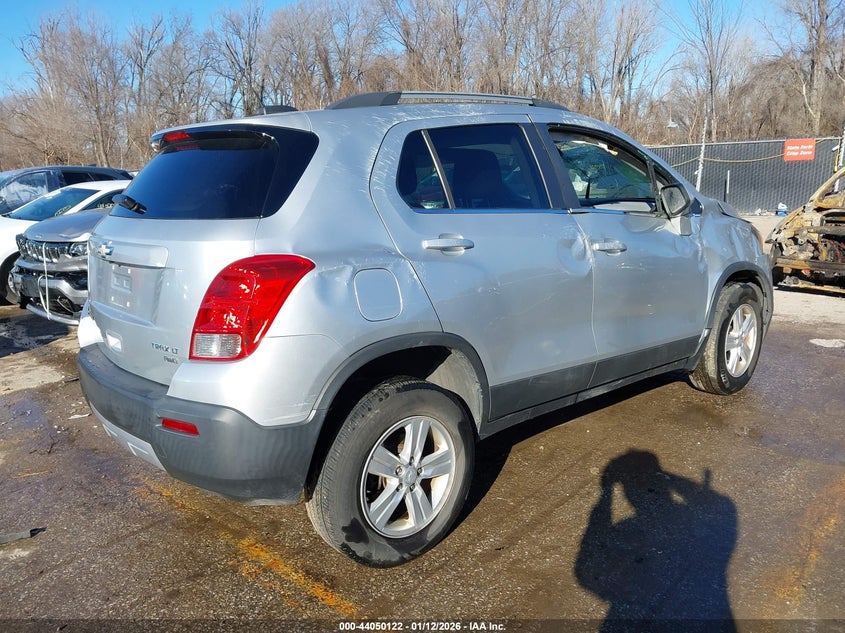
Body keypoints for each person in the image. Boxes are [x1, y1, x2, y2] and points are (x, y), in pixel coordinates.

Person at [575, 450, 738, 632]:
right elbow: (721, 505)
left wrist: (606, 495)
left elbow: (586, 572)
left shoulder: (626, 530)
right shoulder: (692, 520)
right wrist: (665, 476)